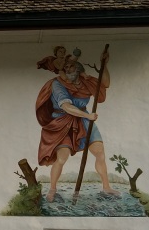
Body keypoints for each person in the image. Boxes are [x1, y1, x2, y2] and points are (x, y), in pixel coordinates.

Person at [35, 50, 118, 202]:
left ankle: (106, 187)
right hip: (62, 121)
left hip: (83, 120)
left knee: (100, 152)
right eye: (65, 67)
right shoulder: (57, 84)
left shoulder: (85, 82)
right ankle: (52, 189)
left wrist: (104, 64)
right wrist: (88, 116)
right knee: (62, 158)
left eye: (71, 66)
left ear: (79, 69)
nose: (67, 69)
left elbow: (105, 83)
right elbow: (66, 106)